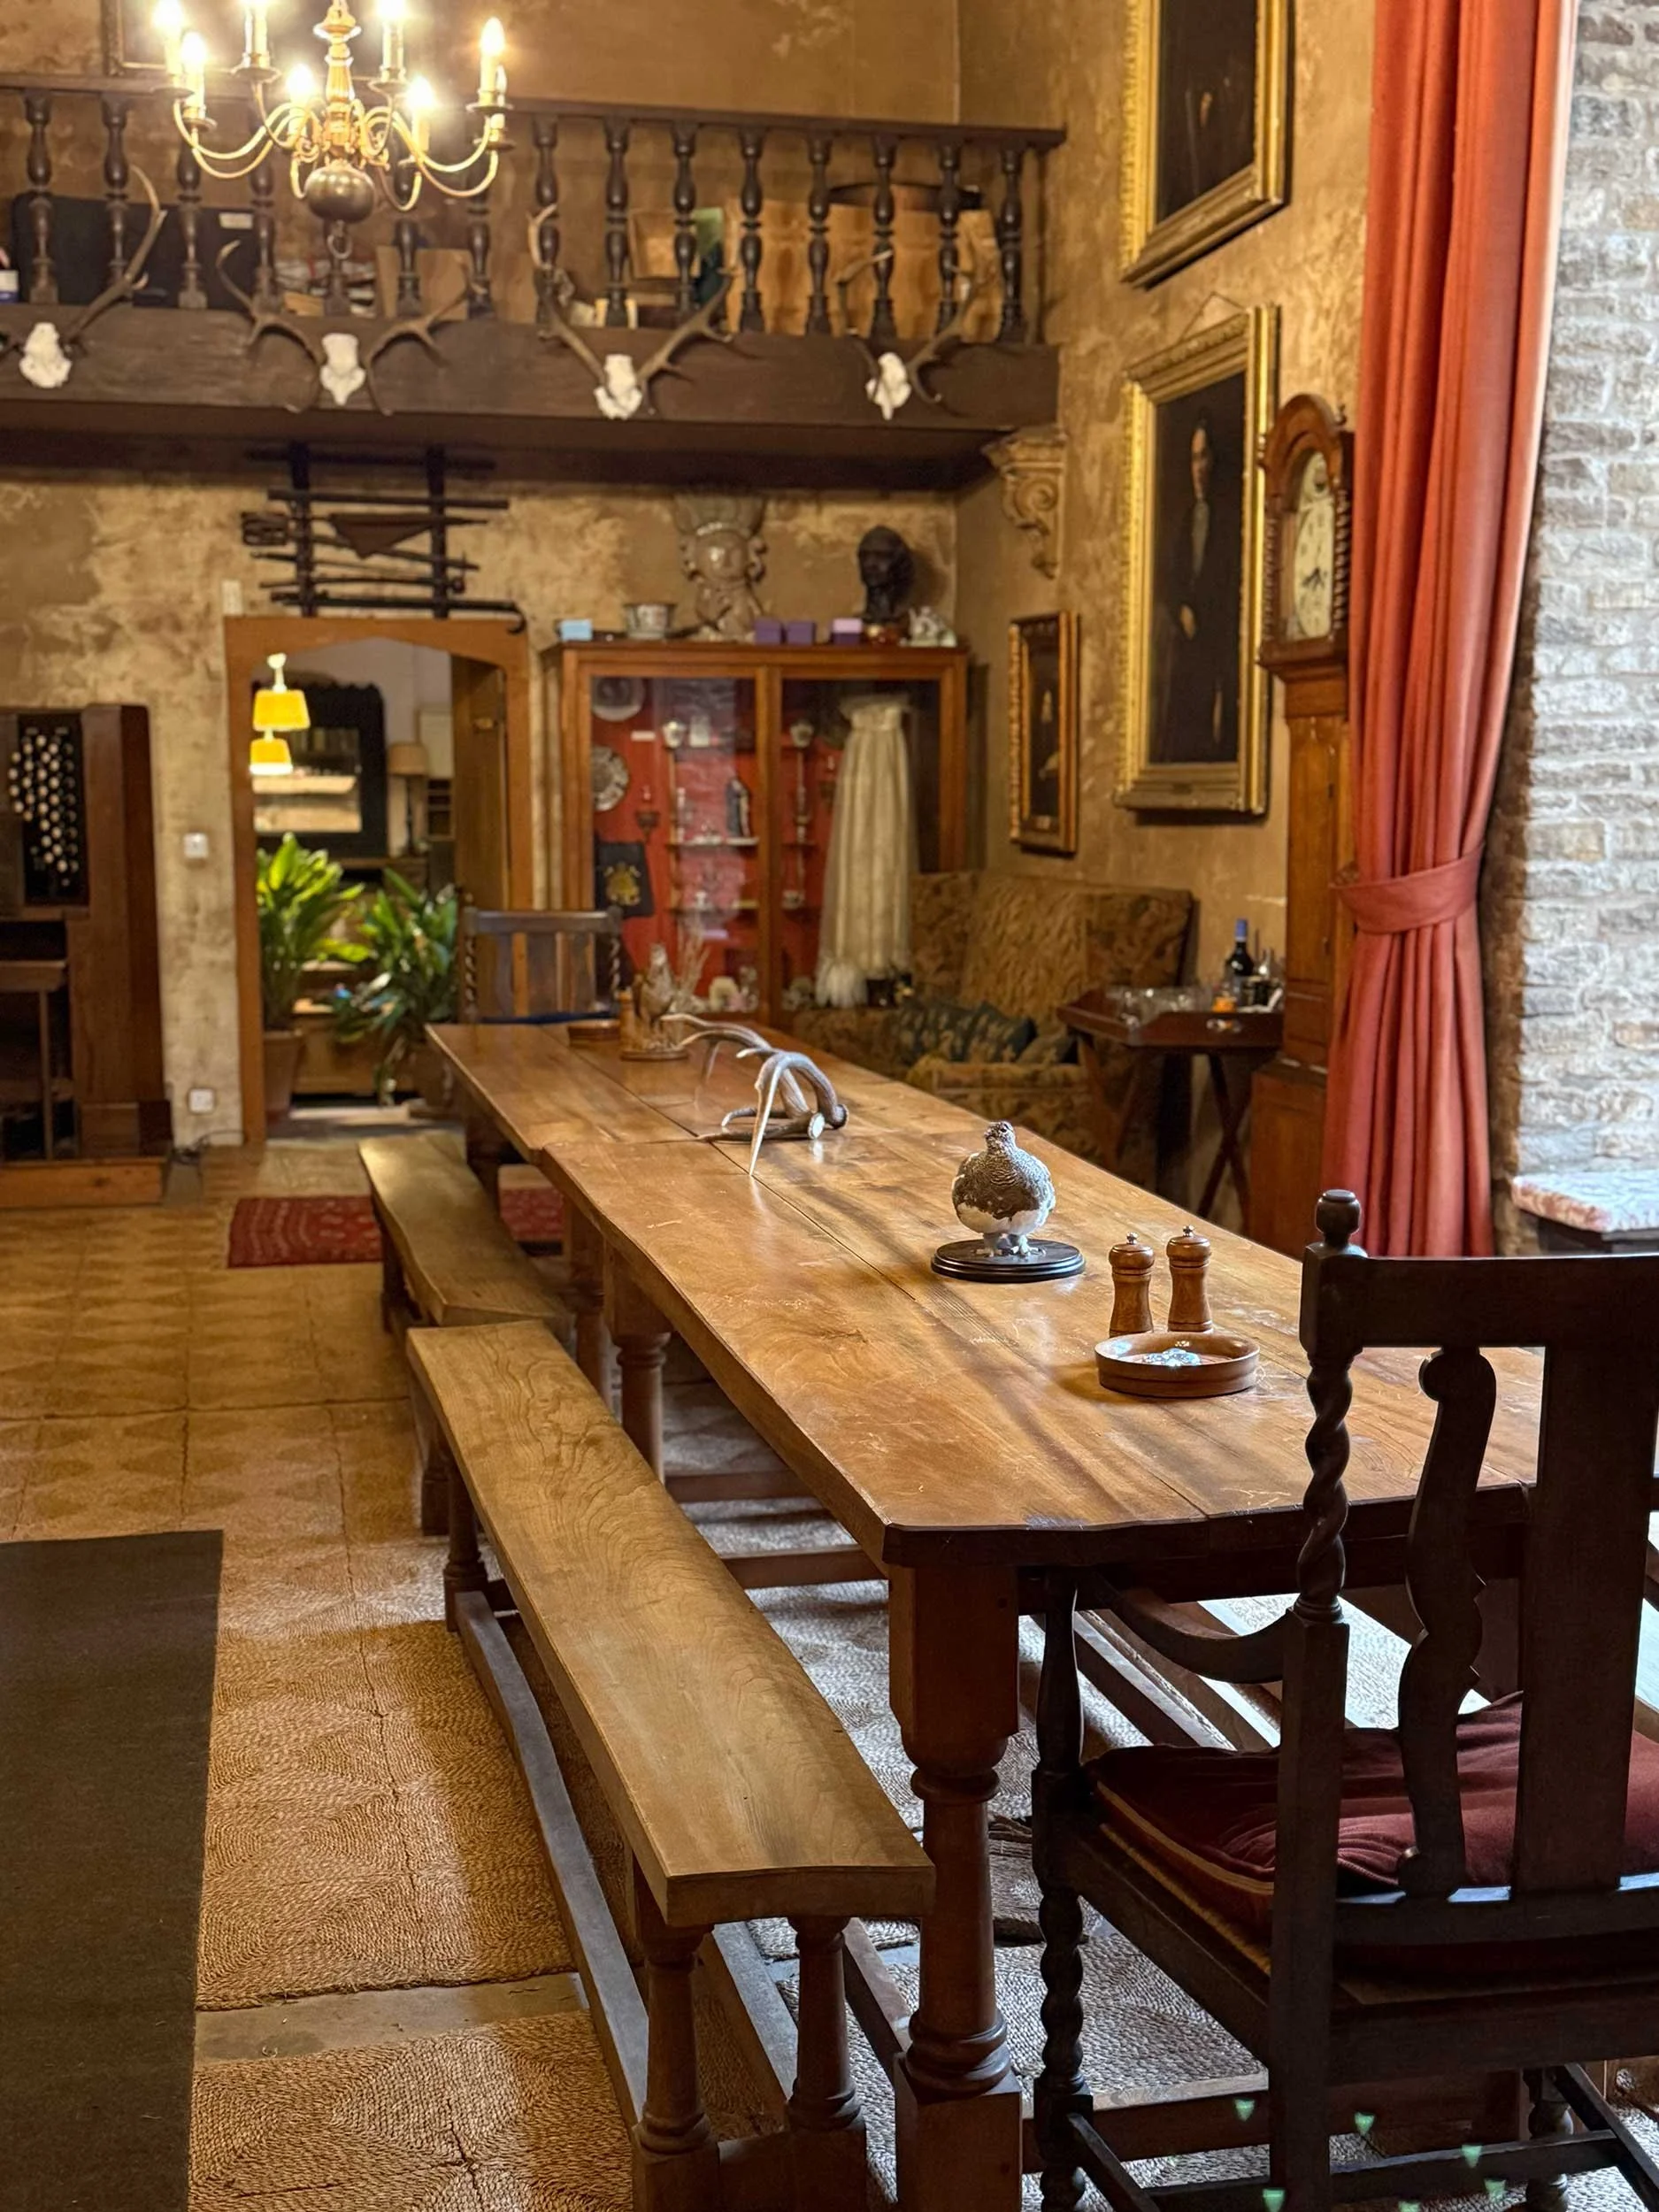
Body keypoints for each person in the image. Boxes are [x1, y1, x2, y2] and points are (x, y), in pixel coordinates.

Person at [1153, 413, 1240, 764]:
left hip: (1216, 640)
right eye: (1194, 458)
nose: (1199, 467)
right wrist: (1180, 609)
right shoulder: (1183, 521)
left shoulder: (1230, 520)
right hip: (1184, 641)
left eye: (1204, 457)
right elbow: (1171, 579)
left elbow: (1228, 582)